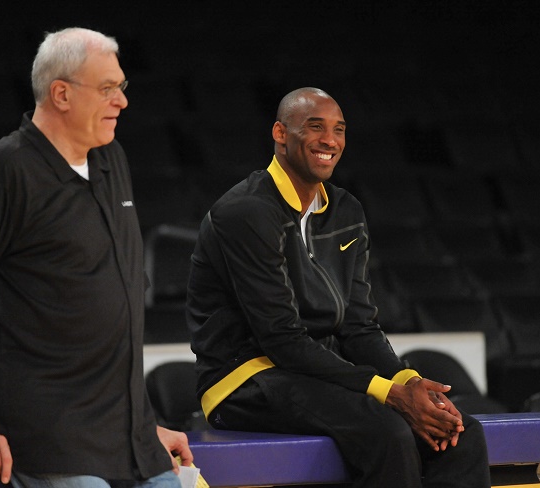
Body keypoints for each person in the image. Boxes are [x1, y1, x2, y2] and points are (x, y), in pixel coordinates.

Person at [0, 27, 192, 488]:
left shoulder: (111, 157)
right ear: (61, 93)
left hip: (130, 442)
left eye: (122, 87)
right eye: (107, 89)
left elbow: (109, 306)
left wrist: (139, 425)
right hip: (50, 442)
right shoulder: (2, 171)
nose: (121, 101)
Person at [186, 87, 490, 488]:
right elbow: (280, 338)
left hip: (319, 376)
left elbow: (359, 327)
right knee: (388, 431)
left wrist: (410, 384)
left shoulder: (346, 210)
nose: (330, 140)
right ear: (280, 133)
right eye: (315, 127)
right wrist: (390, 394)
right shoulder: (245, 211)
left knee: (459, 433)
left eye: (339, 130)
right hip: (244, 378)